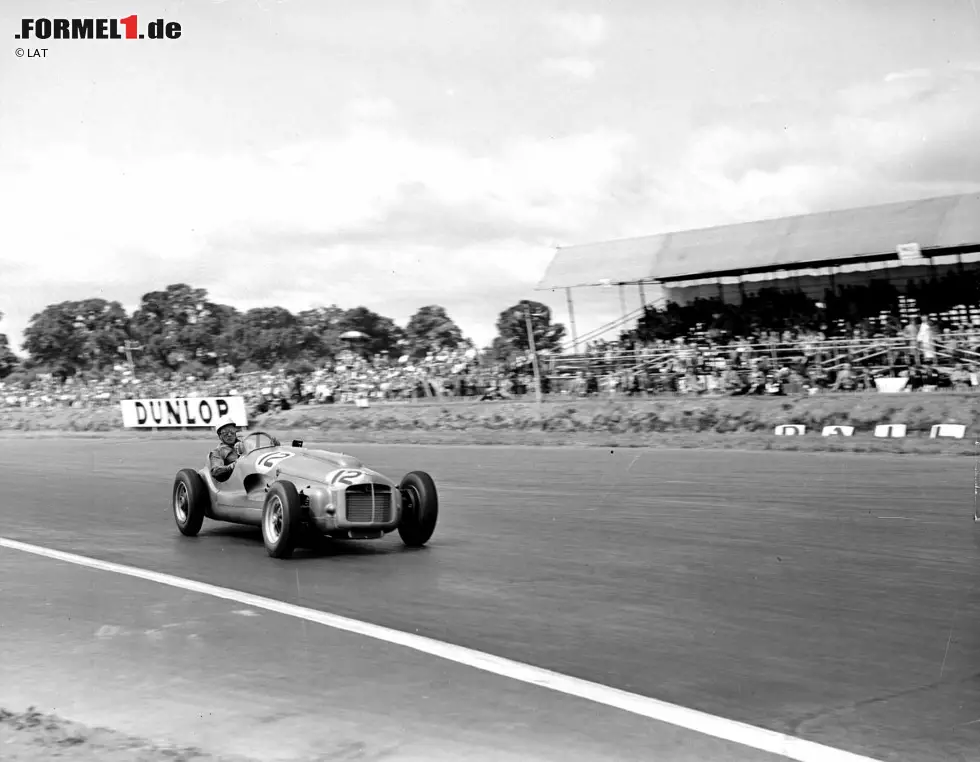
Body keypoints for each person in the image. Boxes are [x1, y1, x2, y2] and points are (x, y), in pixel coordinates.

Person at [209, 416, 279, 482]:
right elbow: (216, 471)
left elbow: (260, 454)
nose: (229, 434)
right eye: (225, 432)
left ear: (235, 431)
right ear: (220, 436)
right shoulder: (217, 452)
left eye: (232, 431)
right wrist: (236, 464)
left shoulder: (247, 443)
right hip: (236, 483)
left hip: (257, 475)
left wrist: (273, 448)